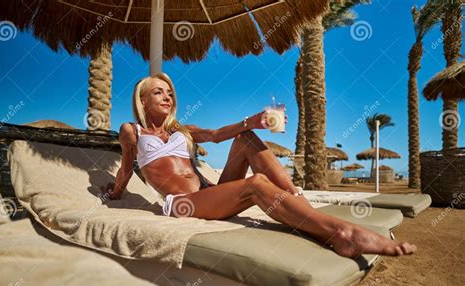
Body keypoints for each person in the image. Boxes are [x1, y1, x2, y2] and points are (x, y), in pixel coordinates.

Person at [102, 73, 416, 259]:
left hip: (211, 194)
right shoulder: (133, 131)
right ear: (142, 100)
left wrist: (251, 121)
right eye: (158, 92)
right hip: (183, 204)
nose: (167, 96)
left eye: (170, 92)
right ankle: (341, 232)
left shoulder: (181, 129)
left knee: (247, 139)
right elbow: (127, 170)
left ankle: (305, 209)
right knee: (256, 185)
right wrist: (114, 193)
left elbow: (214, 135)